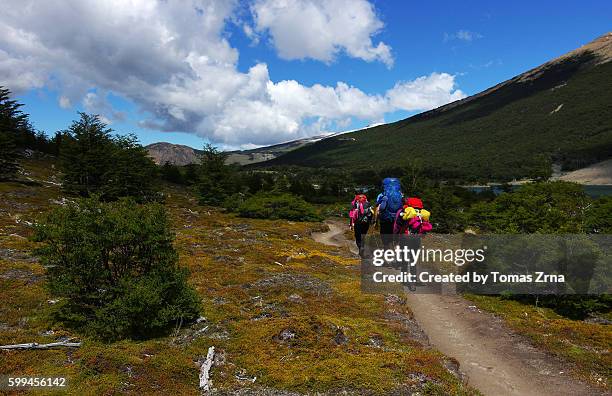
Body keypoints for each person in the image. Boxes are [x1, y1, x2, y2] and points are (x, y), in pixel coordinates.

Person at [375, 178, 403, 250]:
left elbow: (378, 209)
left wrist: (376, 222)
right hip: (398, 221)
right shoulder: (400, 194)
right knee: (396, 241)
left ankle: (388, 256)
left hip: (385, 221)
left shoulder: (381, 195)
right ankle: (397, 256)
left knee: (386, 241)